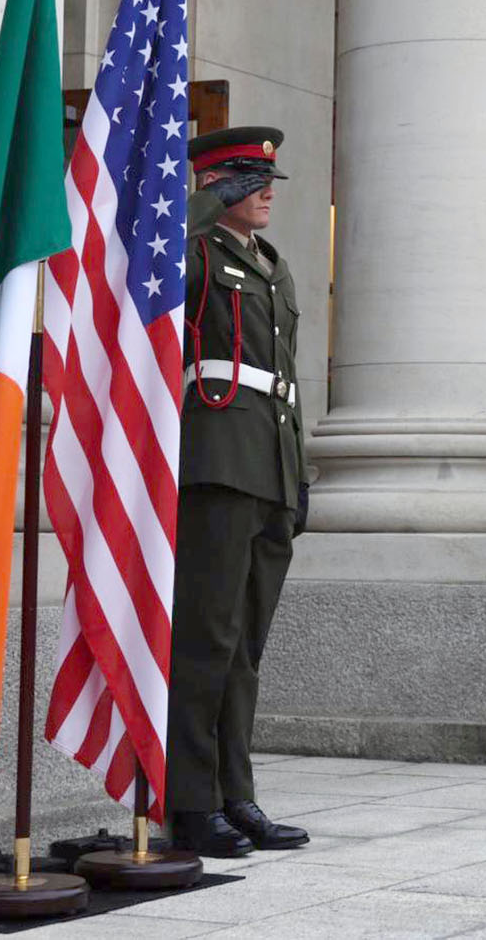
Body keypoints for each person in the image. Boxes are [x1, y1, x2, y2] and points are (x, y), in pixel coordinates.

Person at [167, 126, 311, 857]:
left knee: (246, 646)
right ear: (217, 184)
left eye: (267, 180)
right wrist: (199, 203)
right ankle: (190, 800)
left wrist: (301, 469)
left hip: (271, 467)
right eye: (249, 179)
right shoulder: (197, 250)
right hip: (219, 459)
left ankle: (236, 793)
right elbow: (144, 269)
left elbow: (286, 379)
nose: (264, 192)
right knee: (207, 637)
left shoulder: (274, 269)